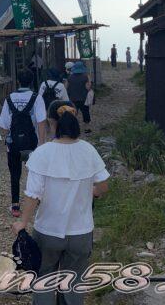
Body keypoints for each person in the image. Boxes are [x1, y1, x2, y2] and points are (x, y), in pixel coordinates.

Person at [12, 101, 110, 305]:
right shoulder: (88, 150)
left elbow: (33, 195)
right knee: (74, 282)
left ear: (50, 122)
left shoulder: (42, 153)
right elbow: (102, 187)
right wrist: (90, 192)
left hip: (48, 231)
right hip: (81, 233)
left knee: (44, 279)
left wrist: (22, 222)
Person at [0, 69, 47, 218]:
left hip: (13, 144)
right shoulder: (36, 98)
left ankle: (15, 206)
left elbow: (4, 125)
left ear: (18, 81)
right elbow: (41, 122)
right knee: (35, 172)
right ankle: (36, 200)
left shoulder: (9, 98)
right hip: (32, 142)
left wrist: (7, 140)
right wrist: (42, 144)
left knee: (15, 174)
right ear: (32, 82)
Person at [66, 61, 92, 134]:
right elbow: (88, 88)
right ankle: (87, 129)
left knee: (73, 113)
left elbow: (66, 87)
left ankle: (73, 129)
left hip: (73, 99)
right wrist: (89, 80)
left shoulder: (70, 77)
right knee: (85, 113)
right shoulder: (85, 77)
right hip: (83, 99)